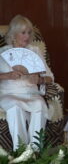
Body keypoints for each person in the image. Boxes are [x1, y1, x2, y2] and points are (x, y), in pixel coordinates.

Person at [0, 15, 54, 150]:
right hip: (9, 93)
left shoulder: (35, 51)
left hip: (31, 93)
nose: (27, 36)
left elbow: (50, 77)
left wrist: (39, 79)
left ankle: (36, 151)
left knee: (40, 104)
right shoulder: (3, 52)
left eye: (29, 32)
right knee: (15, 108)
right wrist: (7, 75)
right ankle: (22, 152)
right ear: (13, 34)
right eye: (23, 32)